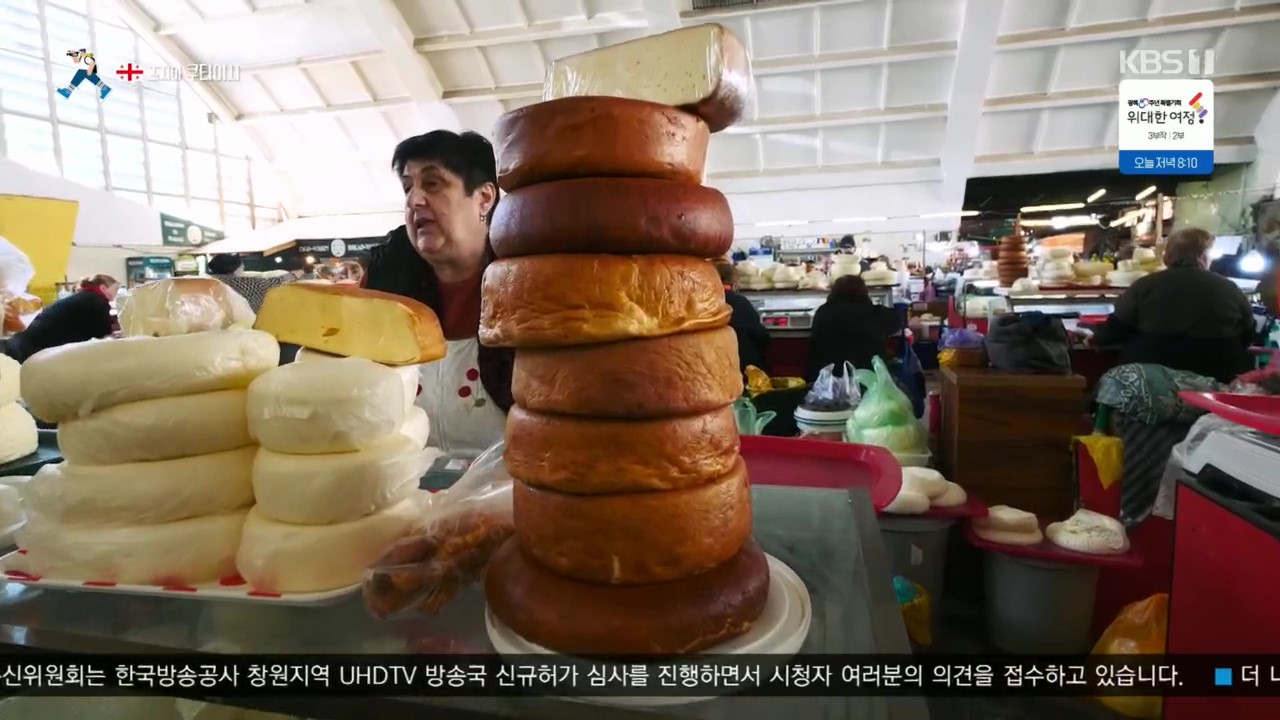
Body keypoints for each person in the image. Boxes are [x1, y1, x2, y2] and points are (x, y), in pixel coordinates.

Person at [362, 130, 511, 456]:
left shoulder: (527, 280)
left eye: (432, 184)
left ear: (484, 198)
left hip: (512, 478)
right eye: (407, 187)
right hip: (401, 479)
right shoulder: (385, 280)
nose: (414, 200)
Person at [1089, 228, 1255, 383]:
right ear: (1203, 256)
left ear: (1168, 254)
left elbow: (1118, 328)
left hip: (1153, 378)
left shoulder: (1146, 285)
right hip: (1217, 376)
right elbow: (1248, 333)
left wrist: (1096, 338)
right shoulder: (1229, 288)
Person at [807, 275, 902, 381]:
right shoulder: (875, 313)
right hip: (868, 379)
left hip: (828, 379)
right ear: (864, 292)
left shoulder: (823, 312)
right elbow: (897, 322)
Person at [2, 275, 118, 362]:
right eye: (115, 291)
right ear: (103, 288)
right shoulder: (97, 301)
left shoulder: (84, 297)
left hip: (23, 342)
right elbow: (102, 333)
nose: (116, 295)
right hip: (33, 350)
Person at [715, 261, 769, 375]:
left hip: (715, 367)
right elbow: (761, 335)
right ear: (734, 283)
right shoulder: (741, 303)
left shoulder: (706, 302)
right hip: (746, 367)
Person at [206, 254, 300, 313]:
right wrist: (296, 274)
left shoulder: (207, 281)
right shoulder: (245, 284)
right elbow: (275, 282)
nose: (243, 267)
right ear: (234, 269)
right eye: (241, 265)